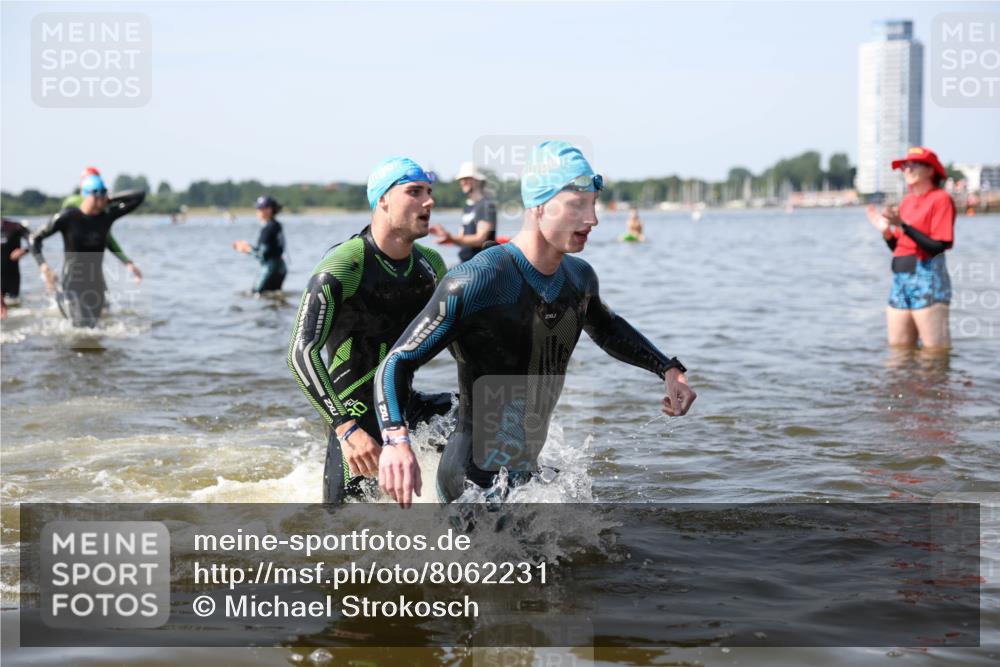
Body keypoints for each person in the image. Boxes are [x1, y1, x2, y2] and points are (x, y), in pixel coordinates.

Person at [374, 141, 697, 508]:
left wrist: (669, 370)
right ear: (539, 205)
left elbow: (607, 328)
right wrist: (395, 441)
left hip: (525, 472)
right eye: (577, 205)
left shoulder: (579, 278)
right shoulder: (477, 281)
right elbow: (397, 362)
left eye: (592, 204)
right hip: (471, 478)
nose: (592, 219)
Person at [288, 157, 453, 503]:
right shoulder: (343, 266)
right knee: (343, 530)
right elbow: (301, 353)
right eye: (414, 192)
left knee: (484, 420)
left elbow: (458, 340)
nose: (429, 201)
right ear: (383, 200)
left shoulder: (431, 266)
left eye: (429, 192)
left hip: (404, 407)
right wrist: (346, 430)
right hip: (354, 420)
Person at [866, 146, 955, 349]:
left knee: (935, 352)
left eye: (913, 164)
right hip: (901, 277)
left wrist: (903, 225)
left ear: (931, 170)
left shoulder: (940, 199)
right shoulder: (907, 201)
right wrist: (886, 231)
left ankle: (938, 382)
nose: (907, 169)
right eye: (905, 165)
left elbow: (938, 247)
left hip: (928, 279)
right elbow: (900, 246)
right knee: (898, 350)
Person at [30, 174, 144, 328]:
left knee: (93, 330)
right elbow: (34, 239)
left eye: (103, 194)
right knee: (82, 325)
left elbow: (139, 196)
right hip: (73, 282)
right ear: (85, 195)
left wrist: (109, 198)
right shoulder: (67, 217)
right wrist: (43, 266)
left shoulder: (107, 216)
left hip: (95, 282)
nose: (100, 198)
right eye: (96, 194)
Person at [428, 162, 497, 262]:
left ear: (478, 180)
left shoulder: (486, 206)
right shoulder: (468, 207)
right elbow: (462, 239)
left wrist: (451, 238)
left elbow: (480, 239)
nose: (462, 182)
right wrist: (446, 234)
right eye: (461, 179)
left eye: (467, 178)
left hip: (483, 266)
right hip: (466, 264)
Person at [232, 195, 287, 293]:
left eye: (260, 208)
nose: (258, 211)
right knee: (275, 297)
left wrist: (245, 248)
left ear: (269, 210)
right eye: (258, 208)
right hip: (281, 268)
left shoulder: (268, 229)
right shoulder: (277, 225)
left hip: (270, 269)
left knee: (257, 294)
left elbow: (262, 254)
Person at [2, 217, 31, 312]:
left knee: (13, 312)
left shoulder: (15, 227)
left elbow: (36, 239)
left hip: (11, 279)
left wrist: (24, 250)